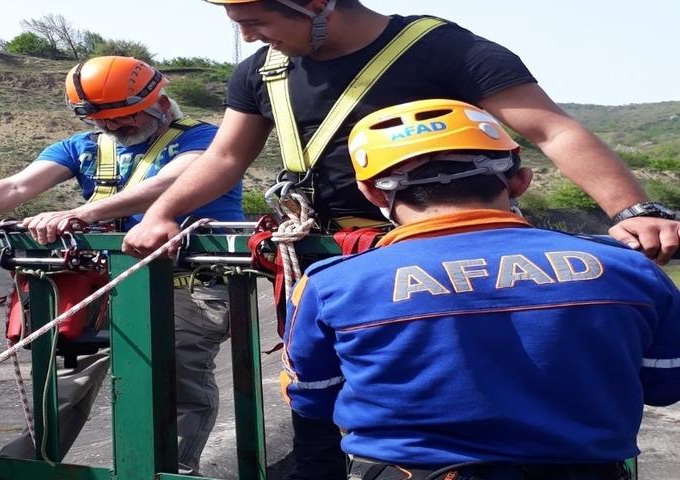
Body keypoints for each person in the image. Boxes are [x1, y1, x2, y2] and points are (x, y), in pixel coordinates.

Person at [122, 3, 678, 476]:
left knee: (472, 381)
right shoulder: (262, 71)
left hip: (429, 246)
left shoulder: (442, 49)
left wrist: (635, 210)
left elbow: (549, 127)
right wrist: (162, 212)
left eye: (256, 19)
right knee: (321, 406)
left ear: (318, 4)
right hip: (328, 255)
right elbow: (224, 156)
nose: (246, 35)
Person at [281, 99, 680, 480]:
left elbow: (312, 397)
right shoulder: (626, 268)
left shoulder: (331, 283)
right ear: (520, 180)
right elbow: (665, 385)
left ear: (371, 192)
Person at [0, 55, 243, 475]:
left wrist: (87, 214)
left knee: (176, 380)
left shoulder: (205, 141)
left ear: (160, 102)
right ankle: (21, 468)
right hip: (106, 286)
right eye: (102, 121)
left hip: (187, 285)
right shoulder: (82, 149)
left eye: (125, 119)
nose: (113, 128)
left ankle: (168, 471)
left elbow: (173, 180)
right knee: (66, 382)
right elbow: (17, 185)